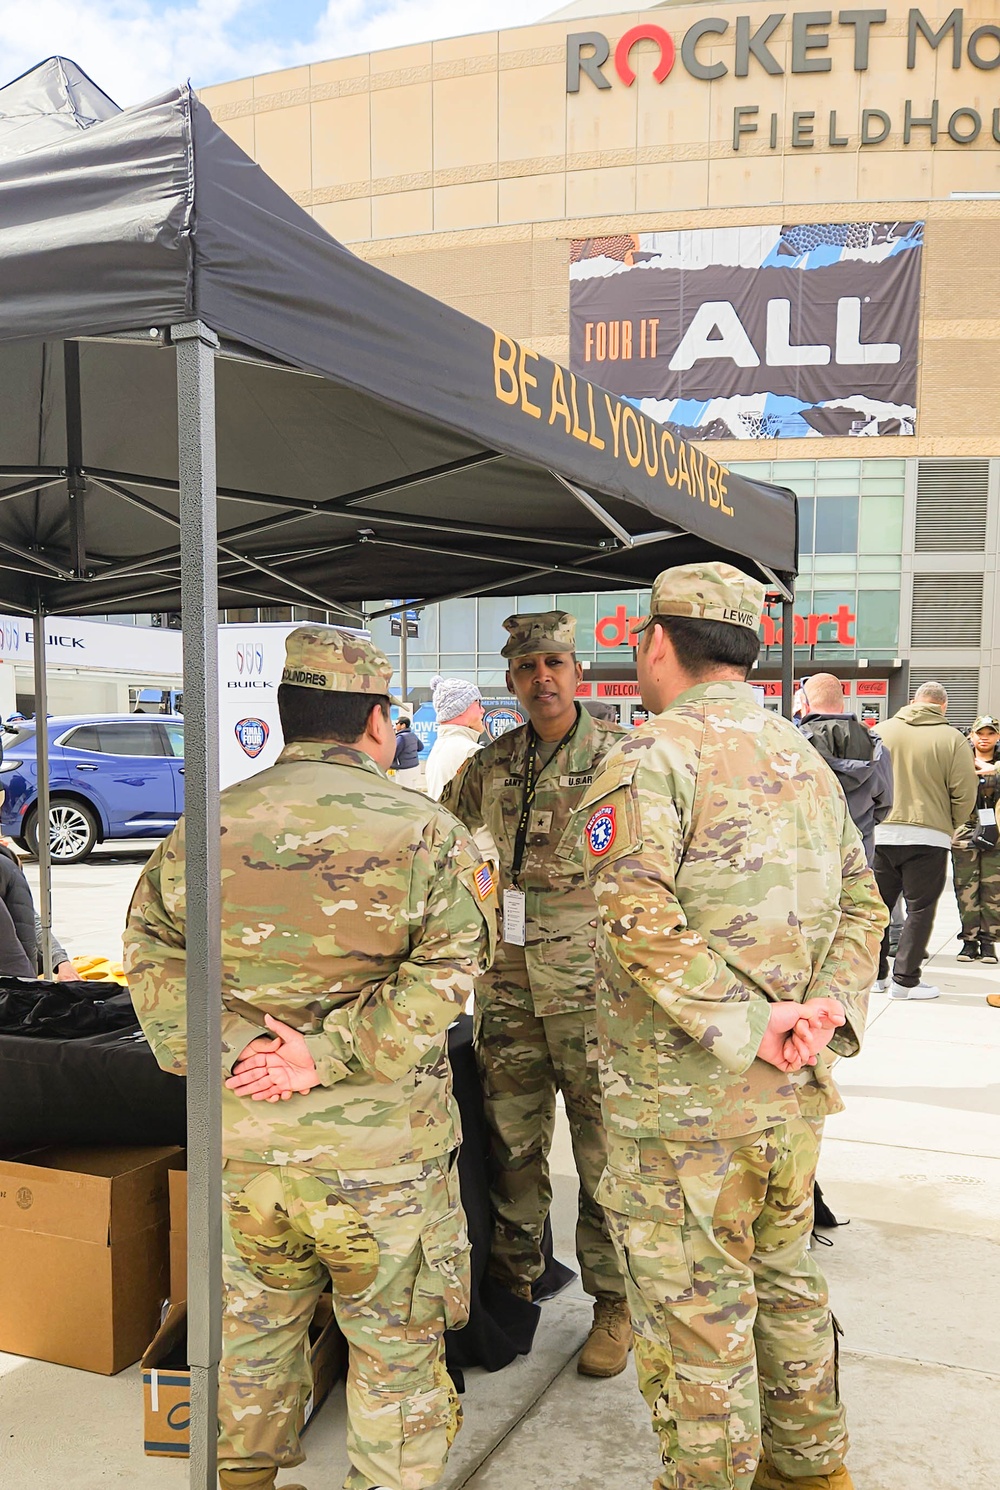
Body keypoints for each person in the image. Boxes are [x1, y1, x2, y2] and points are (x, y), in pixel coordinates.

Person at [124, 625, 496, 1490]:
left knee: (251, 1340)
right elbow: (452, 972)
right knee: (395, 1357)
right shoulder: (428, 832)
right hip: (383, 1162)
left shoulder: (205, 824)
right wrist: (322, 1055)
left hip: (249, 1153)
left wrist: (245, 1046)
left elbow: (148, 952)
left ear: (287, 715)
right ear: (376, 720)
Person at [579, 562, 887, 1490]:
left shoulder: (645, 755)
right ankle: (811, 1471)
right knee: (786, 1281)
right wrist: (819, 1016)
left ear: (657, 642)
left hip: (685, 1108)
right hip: (790, 1094)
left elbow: (634, 916)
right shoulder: (805, 758)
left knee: (693, 1312)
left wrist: (755, 1025)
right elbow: (864, 908)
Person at [441, 611, 632, 1378]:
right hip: (509, 987)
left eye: (554, 662)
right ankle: (513, 1282)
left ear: (577, 671)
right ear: (512, 681)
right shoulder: (491, 764)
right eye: (526, 668)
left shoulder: (623, 756)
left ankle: (614, 1304)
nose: (542, 678)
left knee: (603, 1153)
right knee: (511, 1145)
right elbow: (442, 843)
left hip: (596, 990)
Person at [874, 681, 978, 1000]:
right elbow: (965, 792)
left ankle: (875, 977)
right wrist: (949, 824)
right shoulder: (954, 739)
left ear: (912, 702)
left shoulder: (880, 730)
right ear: (943, 706)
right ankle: (905, 981)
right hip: (929, 836)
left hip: (881, 833)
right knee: (920, 909)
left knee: (877, 909)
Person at [798, 672, 894, 866]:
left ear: (804, 706)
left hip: (807, 859)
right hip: (858, 856)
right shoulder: (876, 748)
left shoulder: (792, 745)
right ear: (842, 706)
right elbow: (884, 805)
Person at [951, 713, 1000, 966]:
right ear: (971, 735)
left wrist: (995, 769)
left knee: (993, 890)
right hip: (966, 829)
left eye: (990, 733)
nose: (984, 737)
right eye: (980, 733)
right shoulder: (962, 760)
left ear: (997, 737)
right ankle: (969, 942)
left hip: (997, 831)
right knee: (966, 888)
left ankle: (989, 942)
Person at [424, 675, 485, 801]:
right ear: (462, 707)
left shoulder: (438, 749)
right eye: (478, 703)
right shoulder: (470, 751)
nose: (482, 710)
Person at [391, 712, 423, 785]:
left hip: (404, 770)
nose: (395, 726)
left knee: (403, 792)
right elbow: (421, 747)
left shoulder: (401, 738)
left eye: (396, 724)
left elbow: (393, 753)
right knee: (412, 791)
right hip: (415, 767)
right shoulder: (412, 735)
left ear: (403, 725)